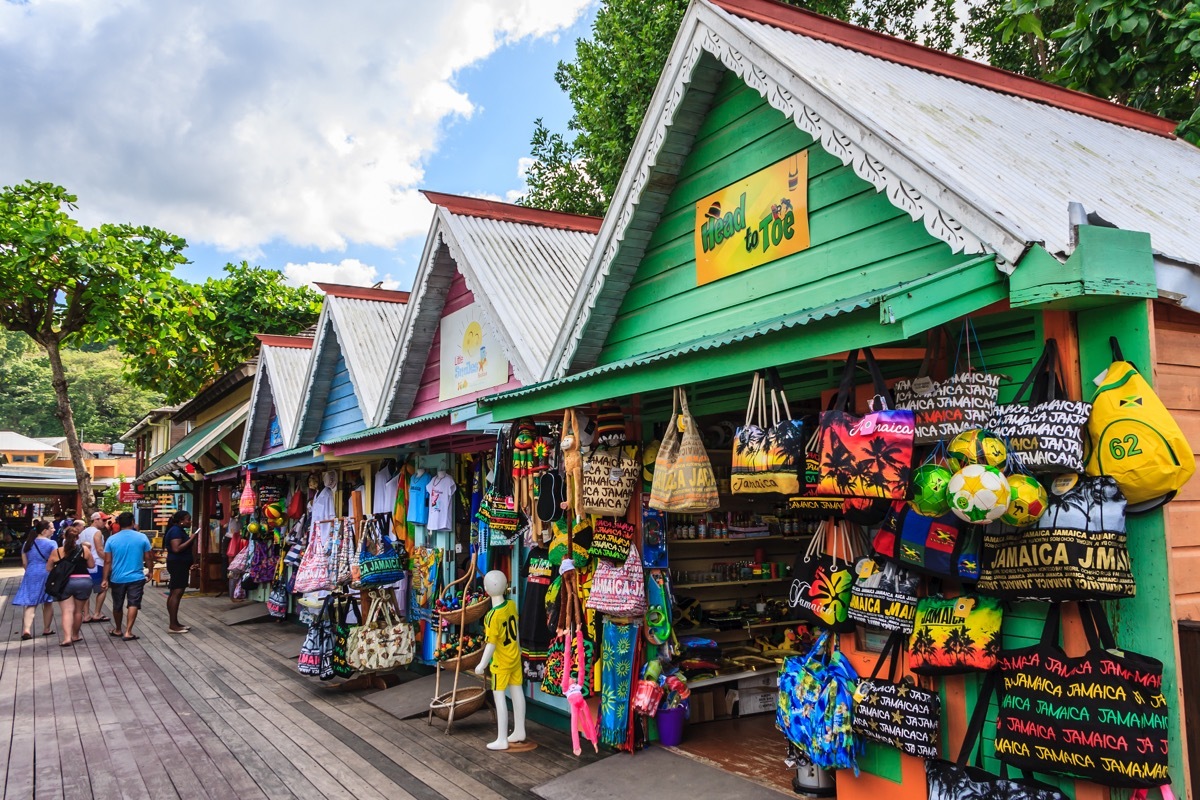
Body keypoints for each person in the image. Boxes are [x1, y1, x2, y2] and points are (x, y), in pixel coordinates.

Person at [101, 511, 151, 642]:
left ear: (118, 524)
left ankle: (118, 629)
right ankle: (128, 631)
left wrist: (105, 579)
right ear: (133, 522)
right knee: (133, 603)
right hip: (136, 577)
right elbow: (148, 557)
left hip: (117, 578)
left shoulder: (112, 539)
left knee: (117, 604)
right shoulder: (142, 537)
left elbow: (107, 561)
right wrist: (150, 570)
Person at [45, 520, 95, 647]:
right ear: (77, 537)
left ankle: (67, 638)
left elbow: (49, 568)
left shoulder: (57, 551)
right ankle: (75, 635)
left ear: (64, 536)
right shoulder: (84, 550)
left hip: (65, 582)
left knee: (67, 611)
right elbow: (91, 565)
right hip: (83, 581)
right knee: (78, 611)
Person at [13, 520, 57, 640]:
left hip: (31, 573)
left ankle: (26, 630)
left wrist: (30, 571)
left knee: (31, 603)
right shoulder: (52, 544)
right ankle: (46, 629)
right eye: (52, 528)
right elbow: (55, 560)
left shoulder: (27, 543)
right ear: (44, 531)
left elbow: (24, 562)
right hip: (47, 573)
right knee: (48, 602)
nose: (54, 530)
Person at [163, 510, 198, 633]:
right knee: (176, 593)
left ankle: (175, 622)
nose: (190, 521)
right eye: (188, 519)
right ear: (181, 521)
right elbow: (176, 548)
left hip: (180, 564)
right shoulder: (175, 531)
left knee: (174, 592)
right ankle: (173, 625)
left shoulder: (178, 530)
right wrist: (192, 539)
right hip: (177, 564)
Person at [80, 511, 110, 625]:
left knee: (86, 591)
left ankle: (86, 614)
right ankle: (97, 613)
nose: (105, 523)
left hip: (85, 564)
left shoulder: (83, 532)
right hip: (97, 563)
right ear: (96, 520)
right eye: (103, 520)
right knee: (103, 588)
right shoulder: (97, 533)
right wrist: (109, 560)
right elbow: (99, 550)